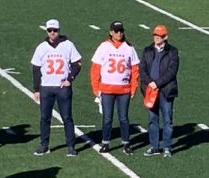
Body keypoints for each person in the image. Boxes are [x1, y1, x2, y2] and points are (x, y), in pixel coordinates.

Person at [31, 19, 82, 158]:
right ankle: (44, 145)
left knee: (67, 117)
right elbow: (36, 68)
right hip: (46, 87)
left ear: (59, 31)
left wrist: (70, 79)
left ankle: (71, 146)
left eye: (55, 30)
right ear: (46, 31)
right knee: (44, 118)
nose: (52, 33)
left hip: (62, 88)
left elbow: (77, 64)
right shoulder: (41, 47)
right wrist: (36, 89)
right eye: (50, 30)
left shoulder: (68, 45)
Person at [90, 21, 139, 154]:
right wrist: (96, 88)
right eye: (116, 31)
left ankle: (126, 142)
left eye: (121, 31)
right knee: (107, 118)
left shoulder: (129, 47)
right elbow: (95, 68)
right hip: (106, 89)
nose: (119, 33)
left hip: (124, 89)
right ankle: (105, 142)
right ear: (111, 32)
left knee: (123, 118)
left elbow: (135, 70)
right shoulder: (104, 46)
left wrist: (133, 87)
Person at [140, 25, 179, 158]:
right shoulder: (147, 50)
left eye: (160, 36)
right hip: (151, 90)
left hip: (166, 90)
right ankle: (154, 146)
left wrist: (157, 83)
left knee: (167, 120)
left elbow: (172, 72)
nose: (157, 37)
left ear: (165, 37)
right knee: (152, 119)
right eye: (155, 35)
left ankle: (167, 147)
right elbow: (142, 69)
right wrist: (150, 83)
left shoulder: (172, 51)